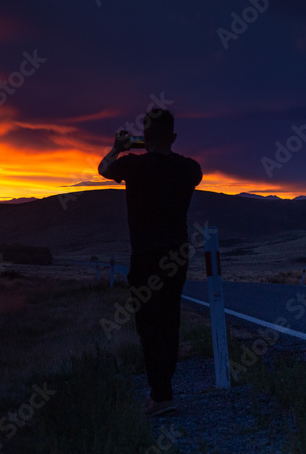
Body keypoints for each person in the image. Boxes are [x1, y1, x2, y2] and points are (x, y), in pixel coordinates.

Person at [97, 108, 202, 417]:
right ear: (172, 137)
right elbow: (191, 172)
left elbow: (104, 169)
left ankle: (162, 395)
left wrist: (120, 147)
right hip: (176, 254)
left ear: (145, 138)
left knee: (149, 324)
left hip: (146, 255)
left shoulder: (133, 166)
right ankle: (162, 391)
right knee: (170, 320)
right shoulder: (188, 169)